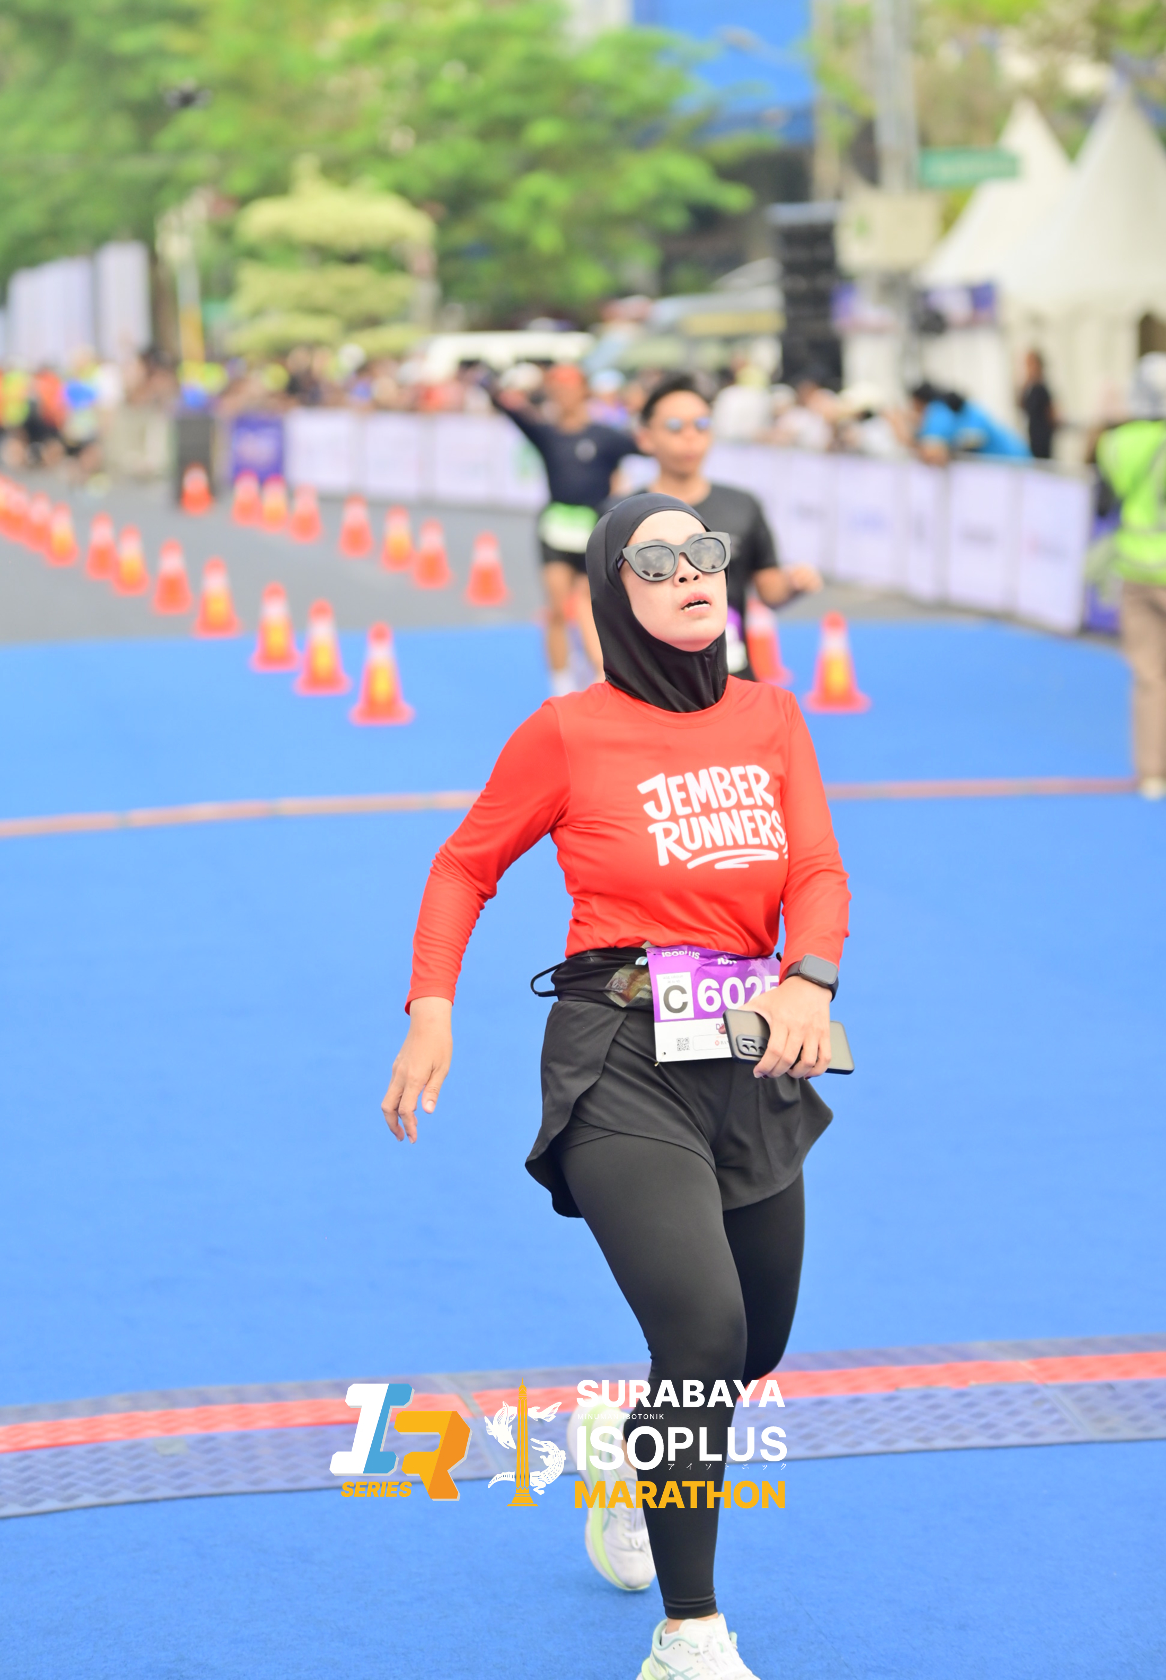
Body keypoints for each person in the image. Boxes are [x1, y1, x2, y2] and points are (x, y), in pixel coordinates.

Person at [384, 494, 850, 1680]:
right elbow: (464, 863)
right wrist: (431, 1004)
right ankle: (689, 1633)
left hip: (748, 1049)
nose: (692, 571)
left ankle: (625, 1445)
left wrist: (810, 977)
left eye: (706, 552)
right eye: (658, 559)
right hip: (619, 1055)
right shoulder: (566, 732)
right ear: (613, 589)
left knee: (751, 1349)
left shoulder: (773, 716)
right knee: (703, 1326)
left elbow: (814, 864)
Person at [632, 375, 822, 677]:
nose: (690, 436)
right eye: (675, 426)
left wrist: (793, 583)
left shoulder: (742, 506)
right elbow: (594, 602)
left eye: (701, 425)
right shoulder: (622, 515)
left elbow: (770, 590)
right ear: (645, 437)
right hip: (653, 679)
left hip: (730, 674)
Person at [492, 363, 640, 692]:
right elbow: (507, 407)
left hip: (594, 529)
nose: (563, 395)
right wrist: (497, 382)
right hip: (556, 528)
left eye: (570, 388)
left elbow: (645, 446)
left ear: (583, 391)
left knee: (591, 606)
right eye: (557, 389)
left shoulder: (605, 436)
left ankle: (601, 678)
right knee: (557, 609)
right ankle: (560, 686)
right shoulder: (547, 434)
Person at [1096, 364, 1166, 799]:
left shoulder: (1116, 443)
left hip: (1136, 567)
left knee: (1148, 675)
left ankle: (1152, 774)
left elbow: (1104, 504)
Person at [908, 382, 1030, 463]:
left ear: (919, 403)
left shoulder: (939, 411)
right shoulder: (960, 410)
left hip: (1014, 465)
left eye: (914, 407)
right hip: (1017, 459)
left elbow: (932, 451)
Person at [1018, 350, 1057, 460]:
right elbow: (1021, 405)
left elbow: (1051, 412)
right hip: (1033, 432)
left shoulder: (1042, 388)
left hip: (1043, 434)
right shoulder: (1029, 388)